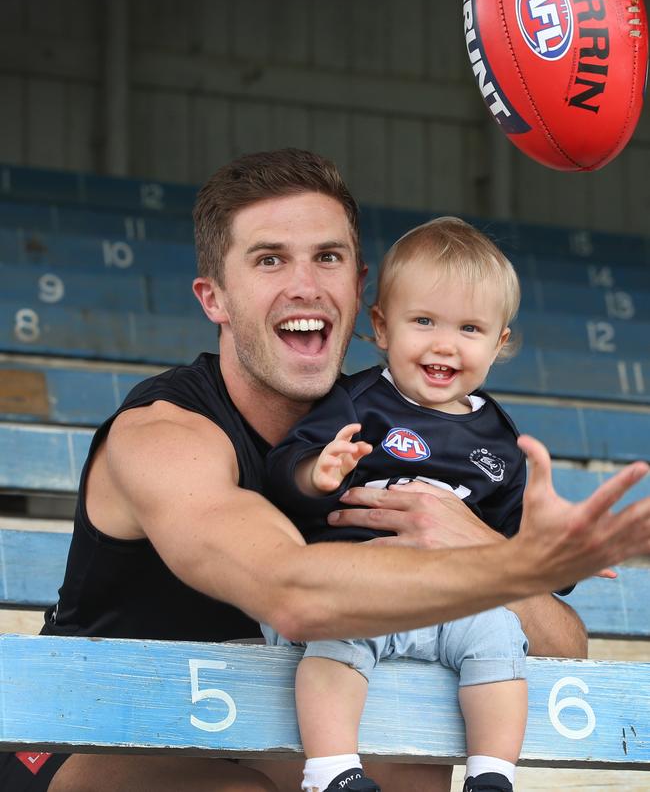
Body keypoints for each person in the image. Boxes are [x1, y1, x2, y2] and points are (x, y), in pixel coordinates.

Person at [4, 149, 649, 792]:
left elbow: (561, 648)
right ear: (215, 298)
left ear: (360, 285)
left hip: (254, 730)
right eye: (269, 259)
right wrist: (504, 567)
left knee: (409, 764)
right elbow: (294, 596)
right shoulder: (166, 433)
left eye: (327, 257)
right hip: (91, 734)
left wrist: (477, 543)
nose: (305, 285)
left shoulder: (388, 426)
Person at [263, 217, 549, 792]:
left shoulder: (500, 438)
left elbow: (516, 544)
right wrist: (316, 472)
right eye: (423, 321)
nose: (444, 343)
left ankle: (492, 775)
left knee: (499, 636)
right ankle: (332, 771)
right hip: (360, 588)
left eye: (469, 328)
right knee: (335, 636)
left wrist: (555, 549)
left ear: (499, 343)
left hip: (447, 603)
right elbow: (279, 471)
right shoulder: (357, 401)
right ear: (382, 326)